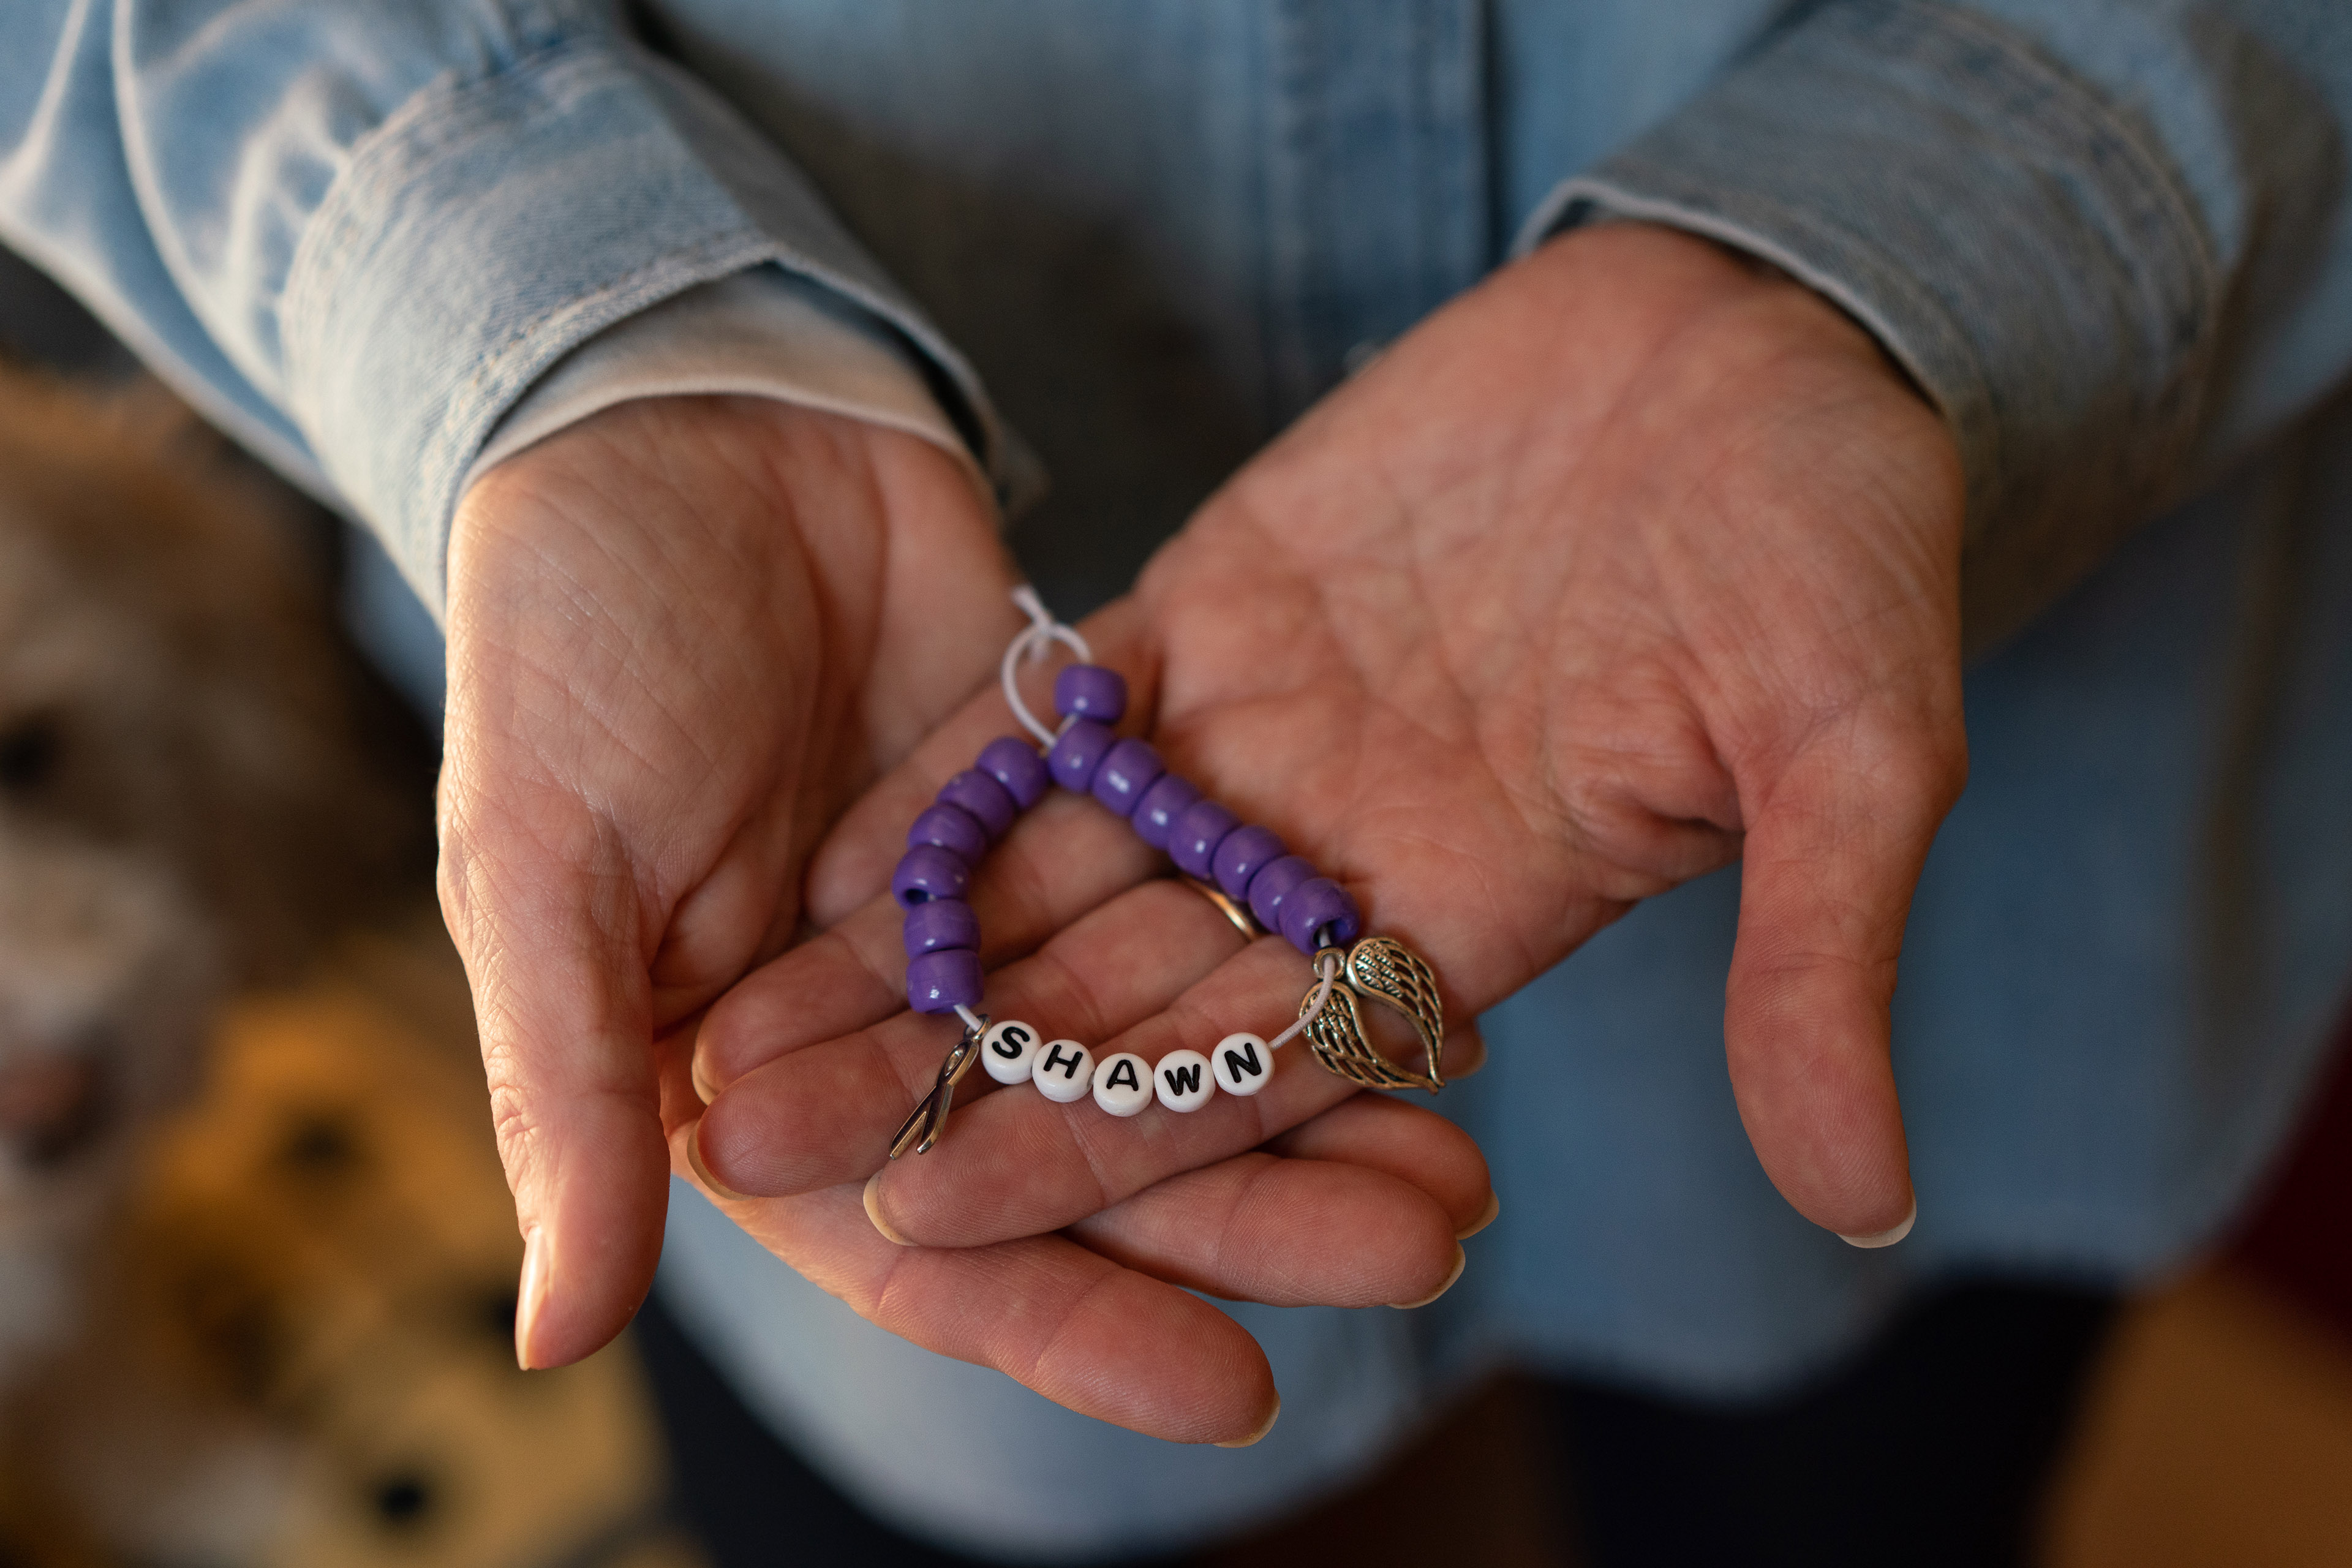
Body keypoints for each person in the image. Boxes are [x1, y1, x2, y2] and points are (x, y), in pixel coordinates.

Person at [8, 1, 2351, 1560]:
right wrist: (527, 287)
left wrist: (1982, 197)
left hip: (2033, 816)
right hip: (808, 894)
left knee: (1858, 1485)